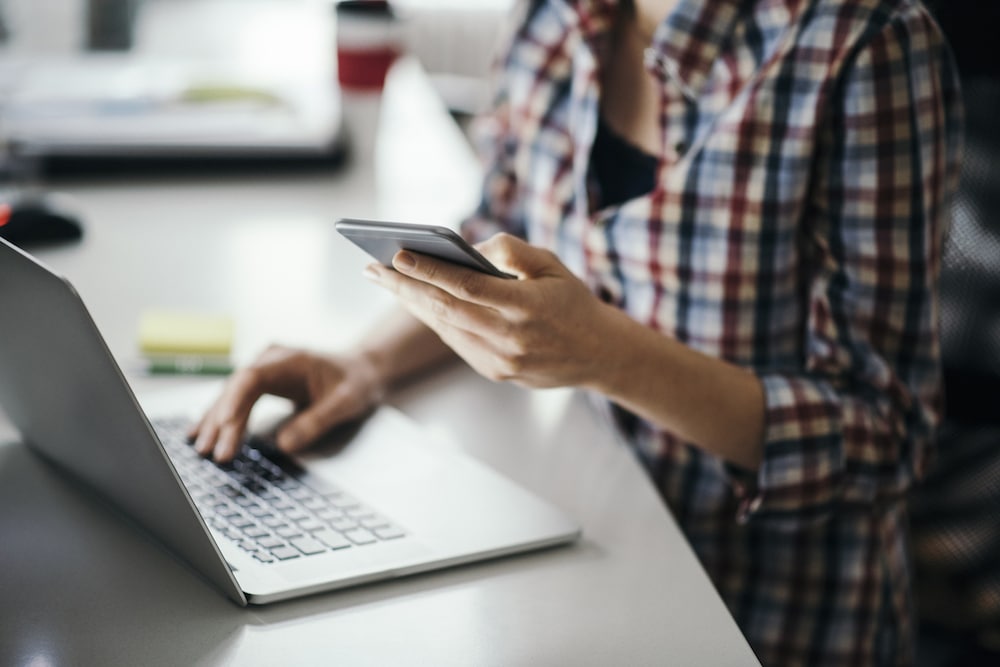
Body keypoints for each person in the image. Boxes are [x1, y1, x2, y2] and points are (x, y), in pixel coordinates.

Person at [190, 0, 962, 664]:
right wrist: (363, 363)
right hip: (578, 559)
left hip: (767, 617)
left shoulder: (870, 44)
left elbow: (886, 434)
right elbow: (502, 229)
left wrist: (612, 356)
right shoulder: (552, 17)